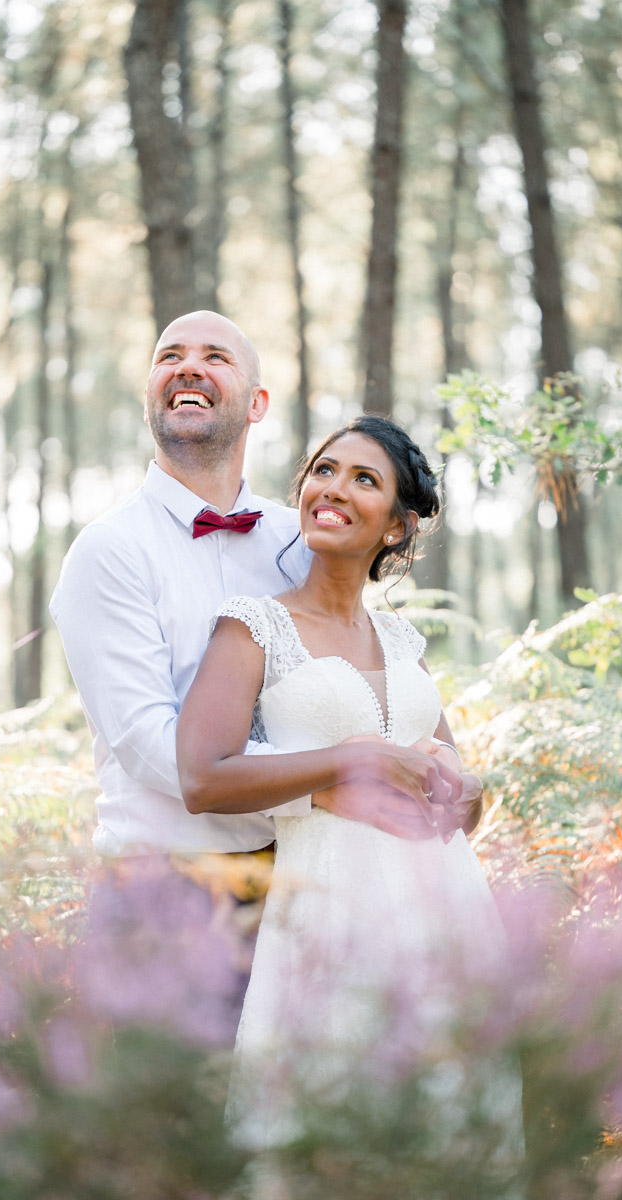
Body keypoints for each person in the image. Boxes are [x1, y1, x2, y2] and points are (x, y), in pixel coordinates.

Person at [176, 415, 518, 1152]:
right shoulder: (253, 627)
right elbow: (202, 777)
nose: (333, 489)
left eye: (363, 480)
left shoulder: (401, 641)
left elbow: (459, 798)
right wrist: (351, 765)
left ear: (395, 528)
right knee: (330, 1117)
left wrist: (466, 790)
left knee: (450, 1120)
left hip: (446, 910)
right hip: (329, 906)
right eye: (324, 470)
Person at [51, 312, 477, 872]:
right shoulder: (108, 550)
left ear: (257, 405)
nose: (189, 369)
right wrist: (328, 788)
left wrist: (440, 764)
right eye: (170, 357)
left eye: (216, 358)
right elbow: (150, 743)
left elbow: (348, 685)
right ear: (150, 392)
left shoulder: (302, 538)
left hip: (304, 872)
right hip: (167, 881)